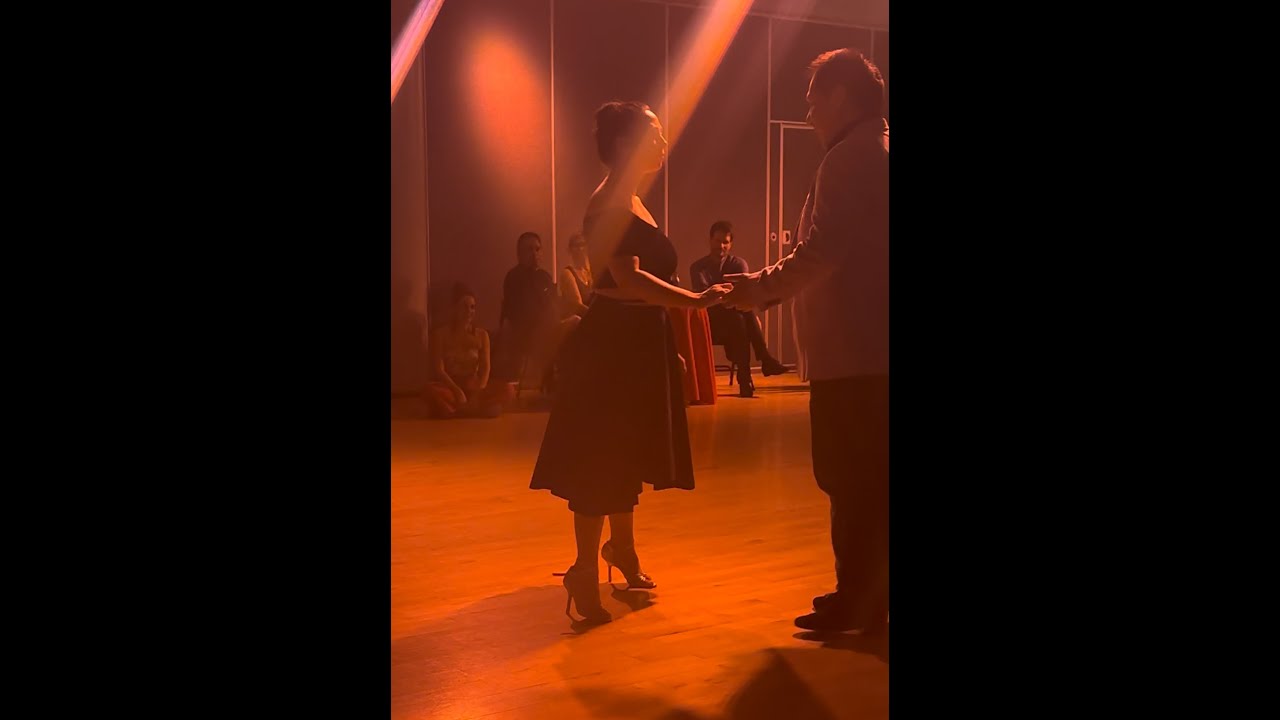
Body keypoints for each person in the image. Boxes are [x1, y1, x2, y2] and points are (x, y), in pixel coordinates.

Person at [530, 101, 731, 624]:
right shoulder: (609, 205)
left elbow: (642, 283)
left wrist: (673, 344)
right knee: (601, 458)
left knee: (629, 452)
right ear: (624, 146)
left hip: (639, 338)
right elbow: (628, 278)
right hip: (612, 345)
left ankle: (622, 551)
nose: (664, 142)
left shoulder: (635, 201)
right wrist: (695, 301)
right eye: (655, 134)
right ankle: (583, 569)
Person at [723, 49, 889, 634]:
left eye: (816, 95)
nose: (810, 108)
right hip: (874, 354)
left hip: (852, 356)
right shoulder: (878, 152)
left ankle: (860, 602)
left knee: (849, 479)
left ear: (842, 95)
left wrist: (756, 291)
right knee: (871, 479)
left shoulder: (849, 159)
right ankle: (868, 597)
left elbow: (821, 252)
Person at [689, 219, 789, 396]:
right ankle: (759, 363)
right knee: (741, 313)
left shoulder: (738, 264)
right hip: (711, 323)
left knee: (738, 318)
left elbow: (738, 292)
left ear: (731, 244)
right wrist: (728, 296)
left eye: (725, 242)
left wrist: (722, 294)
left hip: (734, 321)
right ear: (710, 240)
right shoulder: (698, 267)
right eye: (717, 241)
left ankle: (749, 376)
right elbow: (705, 296)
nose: (721, 246)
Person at [498, 231, 579, 392]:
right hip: (528, 334)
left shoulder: (545, 277)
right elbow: (519, 312)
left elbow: (555, 304)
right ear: (519, 254)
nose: (534, 254)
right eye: (529, 249)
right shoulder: (514, 278)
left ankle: (569, 383)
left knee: (579, 325)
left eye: (537, 249)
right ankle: (563, 384)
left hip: (551, 329)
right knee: (575, 322)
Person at [423, 283, 516, 418]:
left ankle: (460, 410)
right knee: (429, 391)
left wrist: (479, 391)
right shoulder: (441, 334)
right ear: (455, 308)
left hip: (474, 386)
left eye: (472, 307)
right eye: (464, 306)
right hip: (451, 386)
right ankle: (473, 410)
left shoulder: (482, 335)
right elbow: (439, 370)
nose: (469, 311)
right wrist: (457, 391)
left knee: (509, 390)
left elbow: (485, 368)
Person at [558, 231, 593, 319]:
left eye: (582, 245)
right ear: (570, 249)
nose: (580, 248)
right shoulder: (567, 273)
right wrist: (597, 315)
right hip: (576, 323)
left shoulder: (589, 274)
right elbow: (577, 305)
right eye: (576, 245)